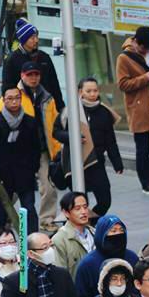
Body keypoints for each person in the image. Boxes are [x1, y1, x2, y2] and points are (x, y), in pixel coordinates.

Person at [0, 61, 61, 232]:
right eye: (29, 75)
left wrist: (57, 149)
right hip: (19, 153)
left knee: (48, 186)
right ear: (22, 76)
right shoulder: (13, 96)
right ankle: (5, 219)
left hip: (43, 149)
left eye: (36, 74)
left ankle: (47, 220)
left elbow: (55, 125)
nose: (33, 78)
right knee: (14, 189)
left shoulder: (47, 97)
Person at [53, 77, 124, 216]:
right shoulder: (70, 111)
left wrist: (117, 163)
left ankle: (91, 221)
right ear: (80, 92)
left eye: (95, 90)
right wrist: (73, 137)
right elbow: (56, 132)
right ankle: (82, 224)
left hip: (97, 161)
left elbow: (110, 140)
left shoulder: (104, 111)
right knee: (80, 202)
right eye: (88, 91)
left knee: (105, 200)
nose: (92, 94)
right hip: (74, 163)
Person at [0, 85, 41, 235]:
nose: (14, 102)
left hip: (25, 173)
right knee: (2, 209)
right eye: (10, 98)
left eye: (17, 98)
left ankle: (32, 240)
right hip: (3, 174)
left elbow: (36, 147)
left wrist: (33, 168)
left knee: (29, 208)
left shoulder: (30, 121)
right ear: (3, 100)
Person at [116, 26, 149, 194]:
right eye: (144, 48)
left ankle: (148, 169)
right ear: (136, 42)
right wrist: (144, 79)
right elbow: (123, 84)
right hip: (139, 108)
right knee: (142, 148)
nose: (146, 51)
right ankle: (146, 182)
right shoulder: (124, 58)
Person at [75, 214, 141, 297]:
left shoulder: (132, 257)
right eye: (113, 231)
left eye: (121, 230)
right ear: (101, 234)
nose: (118, 234)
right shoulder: (88, 264)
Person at [2, 18, 65, 111]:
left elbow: (54, 84)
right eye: (32, 38)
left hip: (46, 105)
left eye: (37, 37)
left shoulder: (44, 57)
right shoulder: (12, 60)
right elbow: (7, 87)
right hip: (24, 108)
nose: (36, 40)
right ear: (24, 40)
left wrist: (60, 107)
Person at [51, 191, 96, 280]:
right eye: (77, 208)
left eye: (85, 207)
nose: (83, 212)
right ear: (66, 213)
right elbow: (60, 275)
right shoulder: (59, 240)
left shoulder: (95, 233)